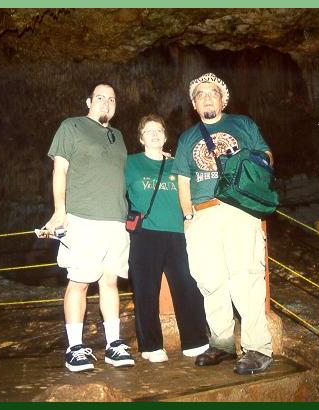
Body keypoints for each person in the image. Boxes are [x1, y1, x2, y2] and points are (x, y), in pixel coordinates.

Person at [173, 72, 274, 375]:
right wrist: (188, 216)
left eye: (212, 92)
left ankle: (258, 348)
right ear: (194, 104)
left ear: (223, 99)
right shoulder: (187, 138)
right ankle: (223, 343)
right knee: (210, 280)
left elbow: (267, 157)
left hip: (238, 209)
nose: (207, 98)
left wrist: (247, 164)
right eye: (200, 94)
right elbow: (182, 180)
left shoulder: (243, 124)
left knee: (245, 277)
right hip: (202, 214)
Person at [43, 82, 135, 373]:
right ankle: (74, 347)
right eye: (100, 98)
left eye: (111, 99)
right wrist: (60, 210)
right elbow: (60, 169)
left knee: (110, 282)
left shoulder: (118, 136)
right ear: (88, 102)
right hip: (83, 217)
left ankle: (113, 344)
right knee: (79, 282)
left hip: (116, 220)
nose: (106, 103)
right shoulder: (71, 127)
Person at [125, 114, 209, 363]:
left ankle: (195, 341)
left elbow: (194, 191)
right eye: (148, 131)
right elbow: (116, 192)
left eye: (158, 130)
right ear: (141, 138)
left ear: (165, 136)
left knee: (187, 286)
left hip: (177, 233)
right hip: (145, 234)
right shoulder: (130, 163)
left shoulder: (177, 164)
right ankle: (151, 346)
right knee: (145, 290)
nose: (154, 134)